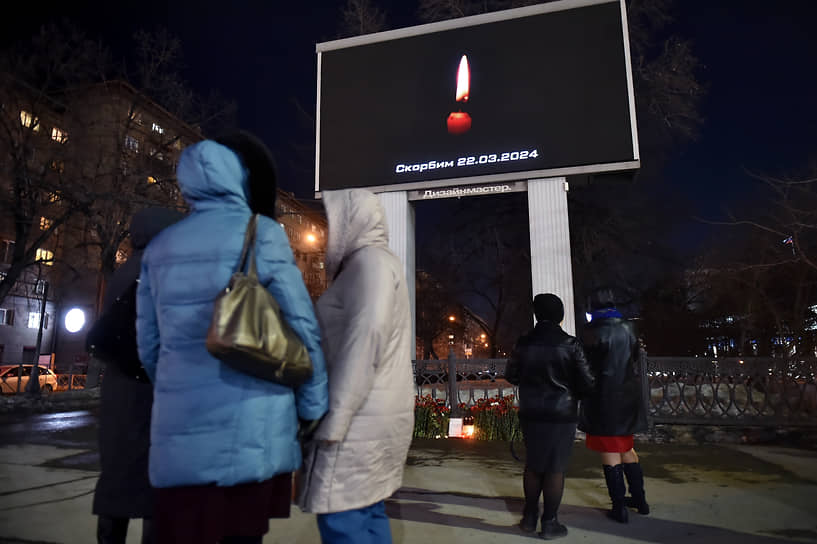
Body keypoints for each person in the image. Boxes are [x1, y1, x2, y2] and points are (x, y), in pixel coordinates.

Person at [136, 131, 329, 544]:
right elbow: (303, 327)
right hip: (250, 430)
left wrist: (177, 389)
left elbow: (149, 347)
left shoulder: (159, 248)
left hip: (180, 436)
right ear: (236, 178)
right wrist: (312, 406)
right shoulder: (262, 233)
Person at [297, 188, 414, 544]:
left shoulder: (370, 264)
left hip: (358, 420)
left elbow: (367, 337)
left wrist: (337, 414)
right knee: (367, 510)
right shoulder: (375, 263)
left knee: (343, 518)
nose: (330, 232)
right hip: (372, 414)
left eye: (334, 221)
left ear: (352, 220)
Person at [92, 207, 183, 544]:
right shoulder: (163, 272)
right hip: (151, 394)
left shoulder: (125, 270)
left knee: (116, 483)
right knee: (154, 496)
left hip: (118, 394)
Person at [505, 293, 595, 539]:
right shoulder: (571, 344)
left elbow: (511, 375)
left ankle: (529, 517)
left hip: (531, 413)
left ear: (537, 315)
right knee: (555, 468)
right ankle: (550, 522)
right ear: (560, 315)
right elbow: (587, 383)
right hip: (561, 415)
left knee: (533, 466)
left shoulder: (523, 342)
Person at [578, 287, 649, 524]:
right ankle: (640, 500)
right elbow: (635, 358)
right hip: (627, 396)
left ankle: (619, 507)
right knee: (626, 447)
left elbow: (585, 367)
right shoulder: (629, 327)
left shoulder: (591, 331)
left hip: (604, 399)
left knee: (610, 451)